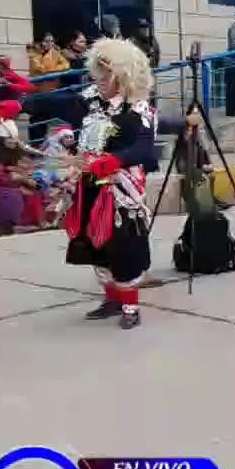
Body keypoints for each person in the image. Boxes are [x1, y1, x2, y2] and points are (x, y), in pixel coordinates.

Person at [62, 39, 157, 330]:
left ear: (123, 76)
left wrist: (115, 160)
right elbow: (62, 106)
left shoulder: (137, 110)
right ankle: (112, 299)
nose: (99, 82)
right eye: (98, 76)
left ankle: (131, 307)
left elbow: (144, 150)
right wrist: (21, 101)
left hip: (120, 191)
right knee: (94, 241)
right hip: (90, 184)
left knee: (122, 247)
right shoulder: (90, 100)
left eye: (106, 77)